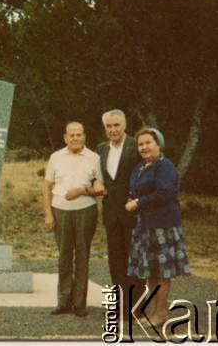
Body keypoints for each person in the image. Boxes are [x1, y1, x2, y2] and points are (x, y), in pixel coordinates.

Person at [125, 127, 190, 326]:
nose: (144, 147)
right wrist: (132, 199)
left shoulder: (165, 166)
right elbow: (135, 190)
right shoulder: (140, 167)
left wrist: (138, 203)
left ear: (158, 145)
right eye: (140, 144)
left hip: (163, 226)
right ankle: (153, 311)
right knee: (151, 271)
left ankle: (161, 313)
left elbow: (166, 193)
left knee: (161, 272)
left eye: (148, 143)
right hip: (145, 226)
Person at [43, 122, 105, 317]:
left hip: (86, 211)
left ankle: (79, 304)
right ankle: (63, 302)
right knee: (64, 257)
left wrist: (82, 190)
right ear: (65, 137)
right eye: (72, 135)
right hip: (60, 211)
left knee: (82, 256)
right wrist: (48, 214)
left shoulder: (94, 158)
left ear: (84, 137)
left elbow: (100, 188)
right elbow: (46, 187)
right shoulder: (56, 157)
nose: (76, 138)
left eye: (79, 135)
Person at [97, 109, 146, 316]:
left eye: (116, 125)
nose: (113, 130)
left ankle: (137, 307)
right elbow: (97, 175)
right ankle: (120, 305)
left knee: (134, 260)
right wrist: (96, 182)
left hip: (132, 213)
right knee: (115, 261)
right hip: (111, 214)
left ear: (124, 126)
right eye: (109, 126)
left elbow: (146, 174)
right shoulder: (100, 149)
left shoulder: (136, 146)